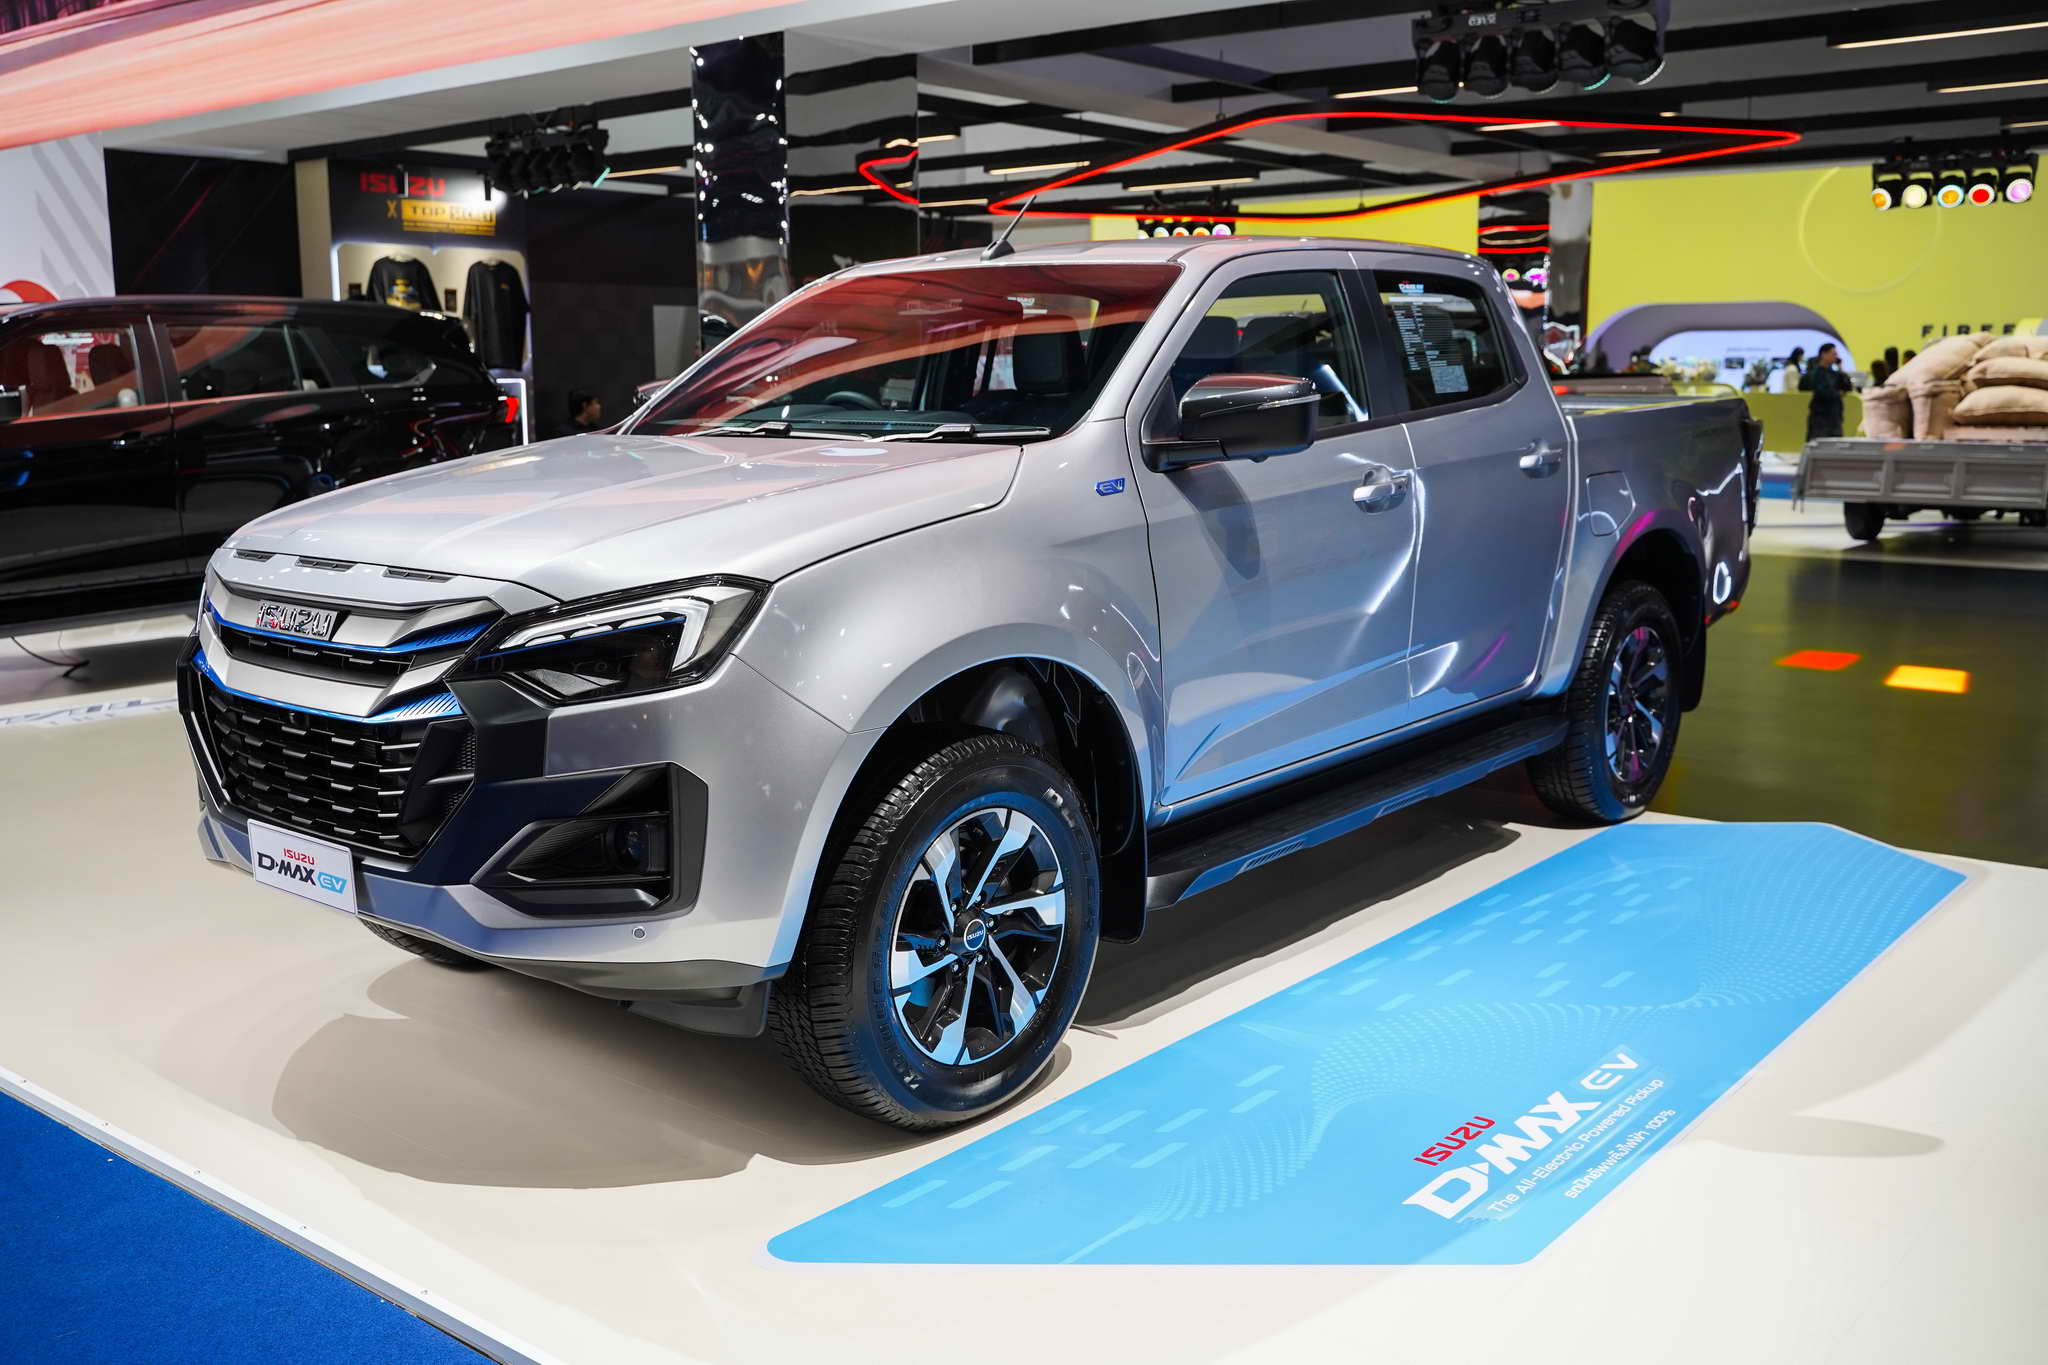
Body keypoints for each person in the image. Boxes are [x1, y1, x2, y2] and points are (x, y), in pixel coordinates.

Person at [1799, 343, 1854, 440]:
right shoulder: (1815, 374)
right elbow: (1822, 392)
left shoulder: (1835, 374)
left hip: (1835, 417)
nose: (1836, 357)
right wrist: (1838, 394)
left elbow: (1848, 387)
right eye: (1834, 354)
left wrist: (1841, 369)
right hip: (1820, 419)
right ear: (1824, 354)